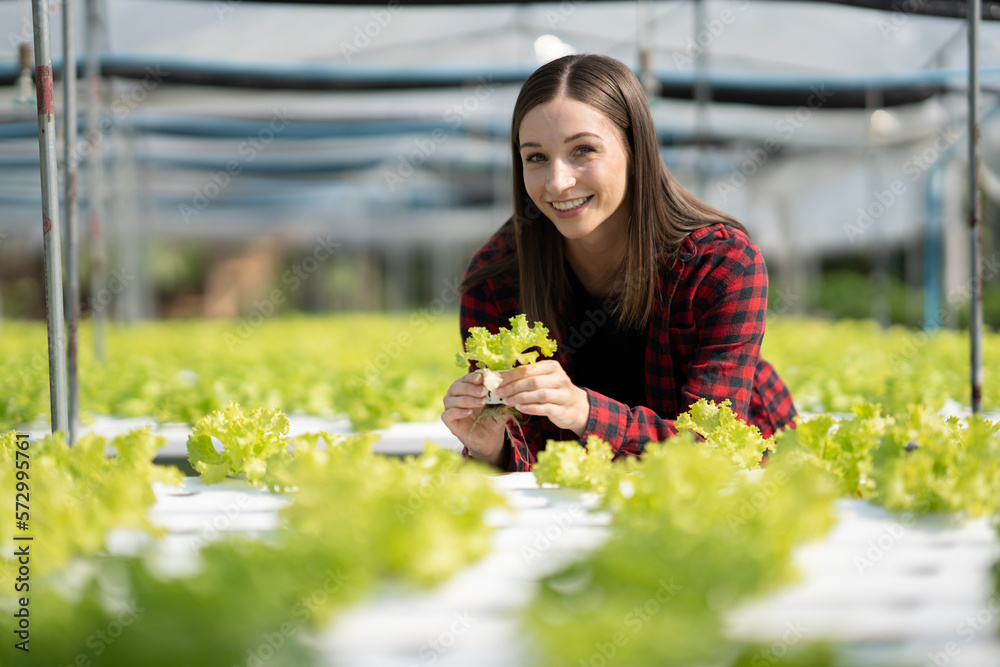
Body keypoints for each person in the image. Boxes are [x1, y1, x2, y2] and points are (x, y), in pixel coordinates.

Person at [441, 54, 797, 472]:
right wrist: (492, 448)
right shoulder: (497, 277)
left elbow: (714, 445)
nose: (557, 182)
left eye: (583, 150)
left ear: (635, 149)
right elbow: (529, 448)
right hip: (582, 499)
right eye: (536, 157)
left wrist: (585, 412)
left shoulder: (721, 263)